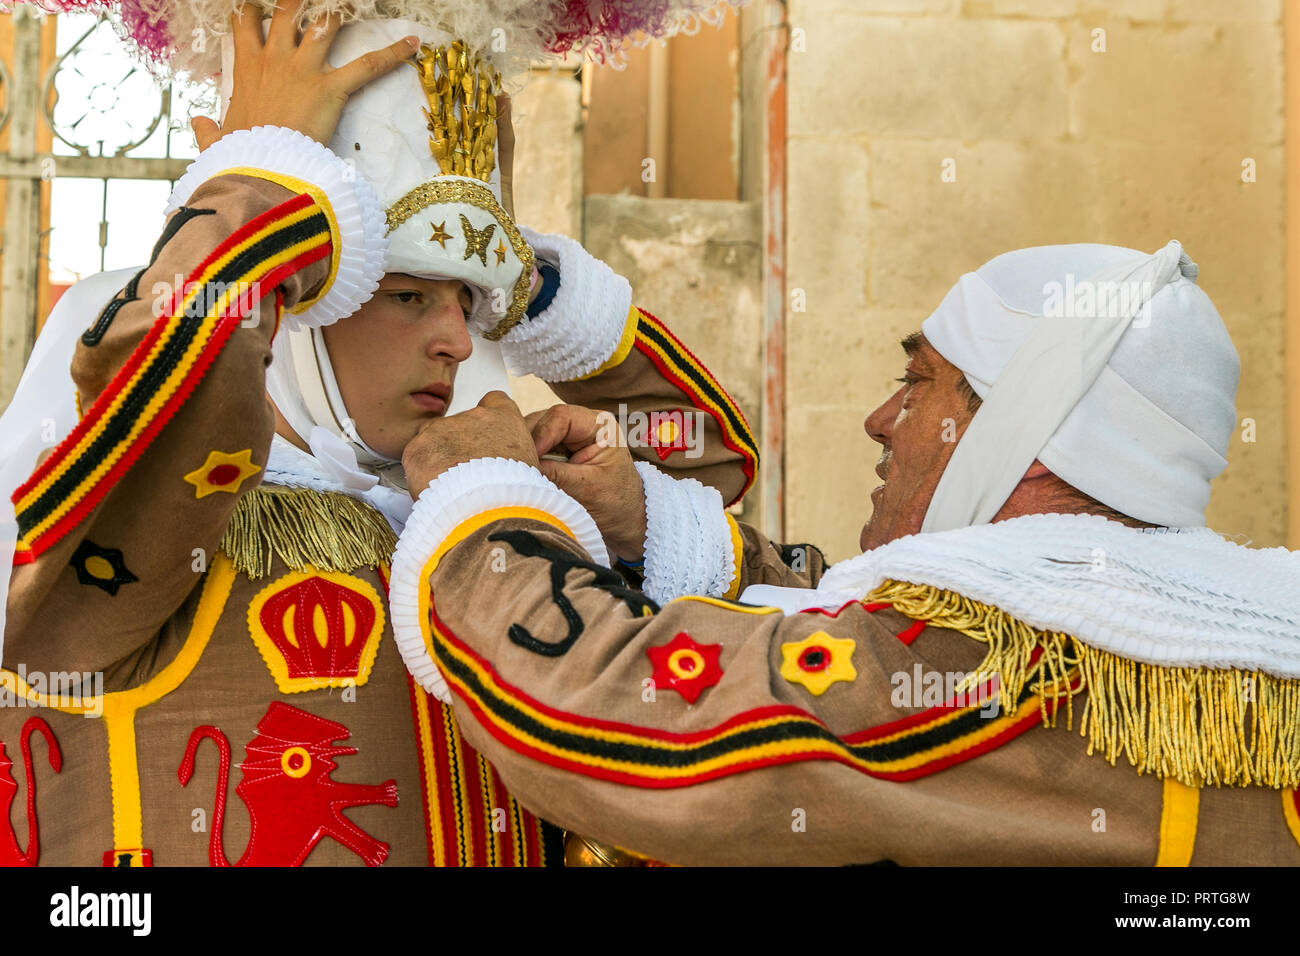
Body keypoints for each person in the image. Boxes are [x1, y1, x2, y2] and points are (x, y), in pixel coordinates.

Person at [0, 10, 756, 866]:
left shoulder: (470, 500)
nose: (461, 342)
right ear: (297, 299)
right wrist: (263, 176)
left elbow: (709, 464)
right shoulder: (155, 515)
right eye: (408, 295)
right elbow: (174, 371)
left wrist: (524, 279)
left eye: (468, 306)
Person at [386, 239, 1300, 866]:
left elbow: (620, 716)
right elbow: (848, 641)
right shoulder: (1217, 625)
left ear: (1023, 431)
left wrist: (488, 509)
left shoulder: (976, 659)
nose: (878, 419)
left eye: (917, 384)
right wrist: (652, 526)